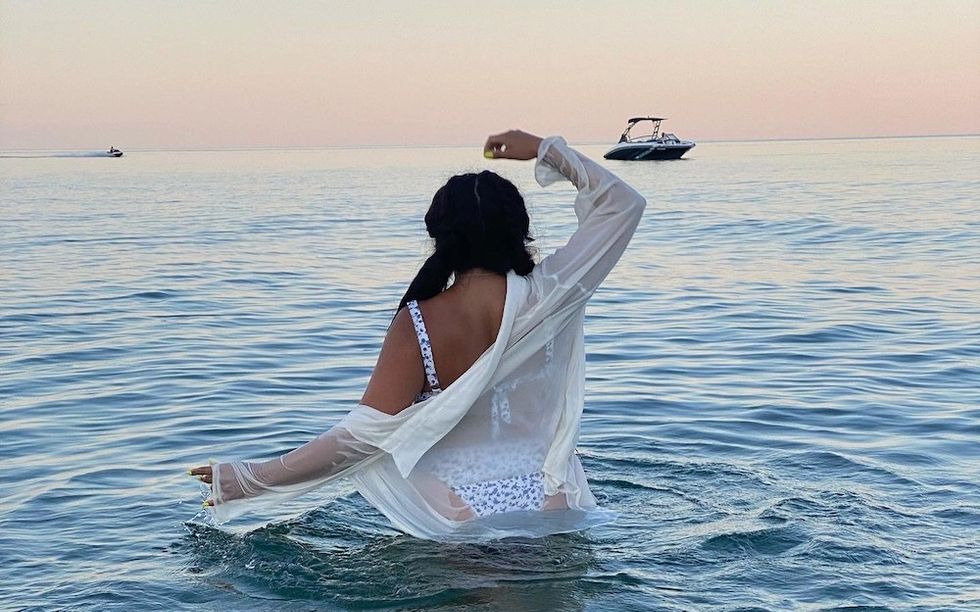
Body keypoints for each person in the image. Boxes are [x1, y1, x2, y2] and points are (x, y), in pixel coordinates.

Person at [190, 129, 646, 540]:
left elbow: (361, 438)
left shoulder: (419, 322)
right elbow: (624, 204)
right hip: (553, 498)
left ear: (438, 236)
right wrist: (545, 150)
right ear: (520, 230)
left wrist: (249, 479)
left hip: (457, 507)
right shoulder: (555, 293)